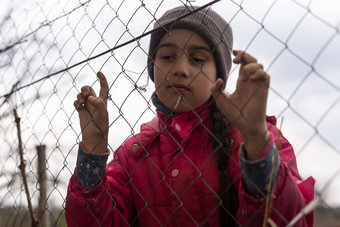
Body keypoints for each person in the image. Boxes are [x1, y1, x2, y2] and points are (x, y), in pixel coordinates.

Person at [65, 5, 315, 227]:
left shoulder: (255, 140)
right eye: (167, 57)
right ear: (152, 67)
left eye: (197, 59)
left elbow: (290, 220)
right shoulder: (133, 156)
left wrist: (255, 141)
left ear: (219, 74)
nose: (180, 70)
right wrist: (94, 148)